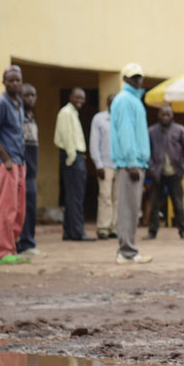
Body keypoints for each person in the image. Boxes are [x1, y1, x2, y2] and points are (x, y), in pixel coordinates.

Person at [111, 64, 153, 264]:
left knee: (132, 208)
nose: (137, 80)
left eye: (139, 77)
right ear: (125, 79)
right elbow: (125, 133)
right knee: (128, 208)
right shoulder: (125, 100)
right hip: (130, 164)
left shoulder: (133, 100)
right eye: (133, 77)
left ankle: (129, 250)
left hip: (136, 163)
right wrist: (131, 162)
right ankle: (126, 252)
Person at [0, 65, 29, 265]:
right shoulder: (0, 103)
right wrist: (6, 159)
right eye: (11, 80)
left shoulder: (18, 103)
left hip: (20, 162)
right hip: (7, 164)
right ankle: (2, 253)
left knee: (19, 210)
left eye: (17, 80)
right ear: (4, 82)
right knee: (6, 209)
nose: (14, 83)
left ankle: (12, 248)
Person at [146, 103, 184, 239]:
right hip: (158, 173)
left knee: (178, 203)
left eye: (168, 114)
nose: (165, 117)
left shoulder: (179, 130)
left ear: (172, 115)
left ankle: (183, 230)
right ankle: (152, 231)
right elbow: (146, 151)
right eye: (163, 114)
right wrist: (151, 166)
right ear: (158, 115)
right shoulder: (152, 131)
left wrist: (182, 162)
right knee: (154, 204)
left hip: (175, 173)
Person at [54, 87, 93, 242]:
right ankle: (77, 232)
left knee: (72, 196)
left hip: (74, 156)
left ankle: (69, 231)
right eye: (77, 97)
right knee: (75, 196)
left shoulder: (72, 113)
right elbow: (67, 137)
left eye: (82, 98)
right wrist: (72, 158)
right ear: (70, 97)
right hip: (73, 156)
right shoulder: (66, 113)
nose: (80, 100)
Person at [15, 84, 41, 257]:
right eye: (26, 95)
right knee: (23, 207)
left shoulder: (31, 117)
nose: (30, 98)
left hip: (32, 170)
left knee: (30, 207)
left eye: (33, 95)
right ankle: (24, 243)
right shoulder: (17, 116)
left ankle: (28, 242)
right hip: (22, 169)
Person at [89, 93, 116, 239]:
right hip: (105, 164)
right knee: (105, 196)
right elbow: (94, 142)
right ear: (107, 103)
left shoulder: (123, 118)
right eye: (111, 102)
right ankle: (104, 228)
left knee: (118, 198)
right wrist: (97, 164)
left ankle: (115, 227)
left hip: (122, 164)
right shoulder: (99, 119)